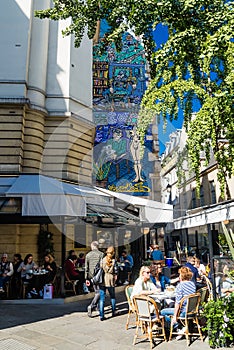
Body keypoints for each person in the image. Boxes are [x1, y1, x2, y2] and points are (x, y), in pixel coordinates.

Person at [160, 266, 196, 340]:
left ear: (181, 275)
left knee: (162, 312)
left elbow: (178, 303)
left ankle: (179, 327)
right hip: (192, 310)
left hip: (183, 312)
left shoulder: (180, 286)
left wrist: (175, 317)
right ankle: (182, 327)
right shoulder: (192, 284)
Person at [99, 246, 118, 321]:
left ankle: (101, 315)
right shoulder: (113, 261)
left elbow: (100, 268)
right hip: (110, 278)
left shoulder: (102, 260)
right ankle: (113, 311)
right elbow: (116, 270)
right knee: (112, 296)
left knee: (102, 298)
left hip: (103, 278)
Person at [85, 241, 104, 317]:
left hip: (91, 276)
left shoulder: (88, 255)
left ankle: (97, 307)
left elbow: (86, 267)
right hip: (99, 276)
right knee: (99, 292)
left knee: (97, 291)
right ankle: (92, 306)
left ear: (92, 246)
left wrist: (86, 278)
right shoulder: (101, 254)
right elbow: (102, 266)